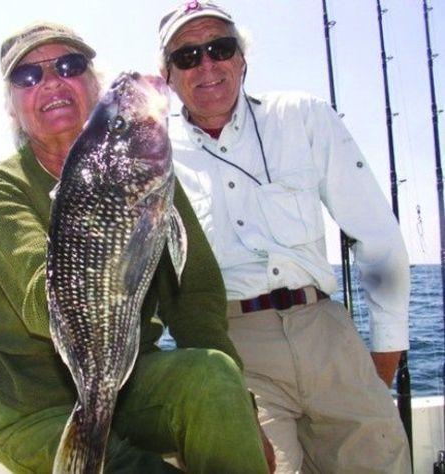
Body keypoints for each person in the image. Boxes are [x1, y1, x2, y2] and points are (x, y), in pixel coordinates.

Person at [0, 21, 271, 473]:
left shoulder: (146, 170)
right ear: (12, 106)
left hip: (133, 384)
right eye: (27, 76)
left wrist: (240, 410)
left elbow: (195, 292)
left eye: (69, 66)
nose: (51, 81)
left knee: (213, 376)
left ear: (93, 85)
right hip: (35, 410)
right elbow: (39, 302)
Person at [158, 1, 412, 472]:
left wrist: (383, 357)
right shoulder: (151, 152)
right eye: (187, 56)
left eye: (220, 47)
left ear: (242, 58)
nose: (207, 64)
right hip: (231, 348)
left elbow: (378, 239)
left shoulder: (304, 116)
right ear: (167, 75)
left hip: (328, 334)